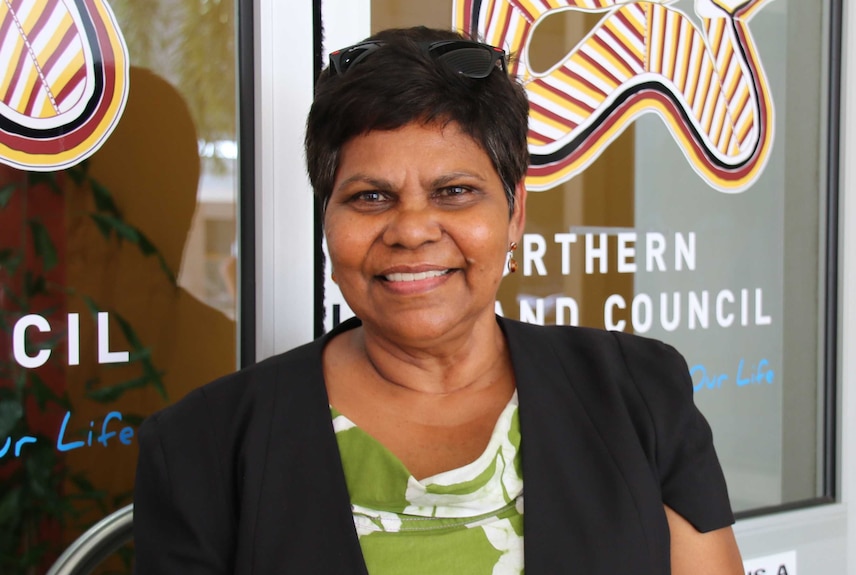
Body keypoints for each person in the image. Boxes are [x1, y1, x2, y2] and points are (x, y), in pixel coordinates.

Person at [133, 26, 744, 574]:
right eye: (370, 197)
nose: (412, 229)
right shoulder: (201, 447)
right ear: (328, 221)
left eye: (454, 191)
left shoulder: (639, 393)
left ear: (515, 214)